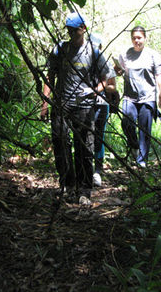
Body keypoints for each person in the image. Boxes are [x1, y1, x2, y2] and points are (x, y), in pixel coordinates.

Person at [40, 12, 110, 204]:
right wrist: (45, 103)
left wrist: (93, 91)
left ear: (84, 29)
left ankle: (84, 190)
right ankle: (68, 185)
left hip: (84, 107)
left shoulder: (94, 52)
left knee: (84, 149)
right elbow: (50, 75)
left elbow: (106, 80)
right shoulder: (60, 49)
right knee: (60, 144)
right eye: (69, 30)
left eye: (75, 30)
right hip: (61, 104)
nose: (71, 34)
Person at [115, 26, 161, 167]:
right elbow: (119, 71)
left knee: (144, 129)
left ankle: (142, 160)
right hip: (129, 97)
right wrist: (118, 70)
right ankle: (134, 145)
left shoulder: (152, 55)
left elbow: (159, 74)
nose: (136, 41)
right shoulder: (125, 54)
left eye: (139, 38)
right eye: (134, 38)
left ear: (144, 38)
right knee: (126, 120)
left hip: (147, 97)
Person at [89, 33, 117, 187]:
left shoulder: (105, 62)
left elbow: (113, 86)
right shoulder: (83, 60)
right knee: (86, 135)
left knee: (99, 136)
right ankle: (86, 169)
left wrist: (102, 87)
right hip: (85, 104)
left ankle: (97, 171)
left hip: (101, 104)